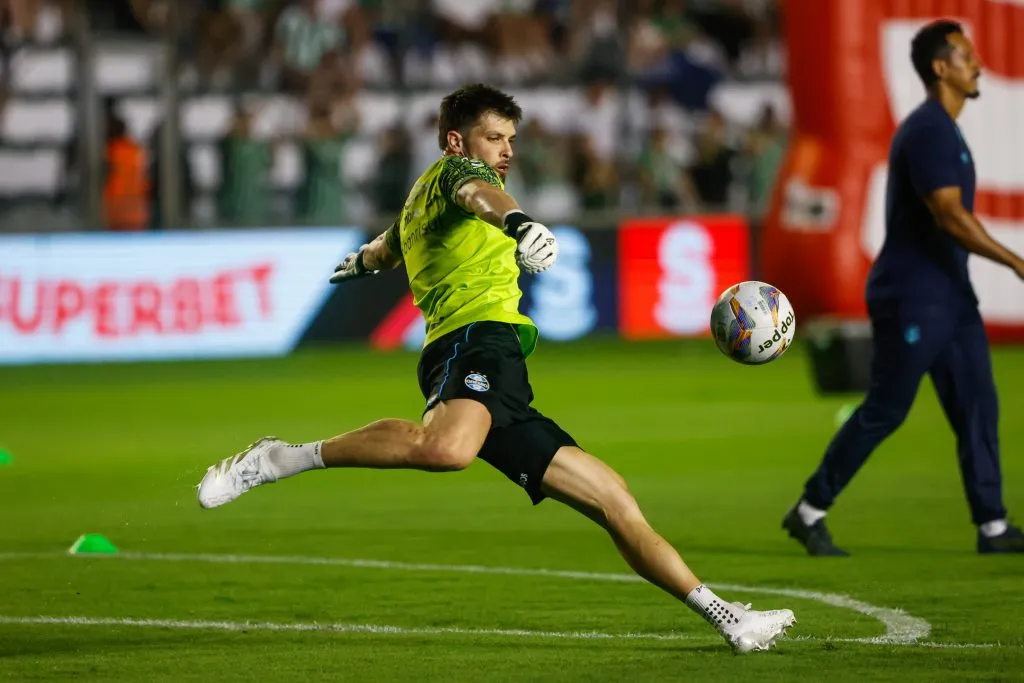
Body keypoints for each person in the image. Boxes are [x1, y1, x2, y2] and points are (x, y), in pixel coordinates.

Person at [197, 84, 795, 652]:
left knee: (613, 498)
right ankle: (280, 458)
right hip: (469, 344)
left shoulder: (419, 199)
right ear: (457, 141)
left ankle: (728, 617)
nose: (506, 151)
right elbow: (481, 198)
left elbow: (388, 246)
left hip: (503, 372)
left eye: (510, 139)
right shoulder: (462, 177)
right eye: (493, 137)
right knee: (447, 449)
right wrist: (520, 224)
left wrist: (367, 259)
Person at [783, 21, 1024, 556]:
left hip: (950, 293)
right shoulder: (929, 131)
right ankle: (809, 510)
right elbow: (948, 214)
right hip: (914, 293)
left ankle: (993, 525)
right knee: (888, 408)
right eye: (966, 56)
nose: (979, 64)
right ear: (941, 68)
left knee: (979, 406)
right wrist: (1014, 261)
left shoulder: (944, 130)